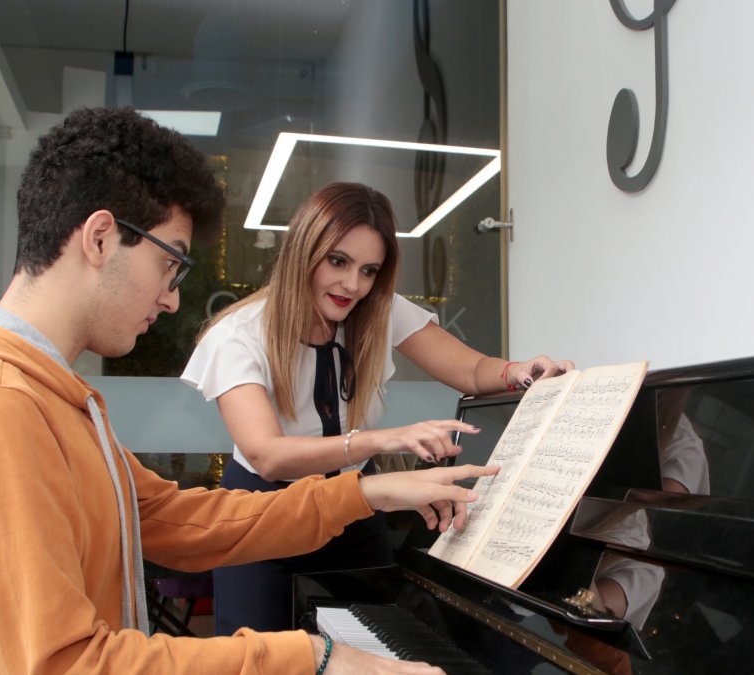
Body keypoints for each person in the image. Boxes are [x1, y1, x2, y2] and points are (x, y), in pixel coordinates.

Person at [0, 107, 497, 675]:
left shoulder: (49, 398)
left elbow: (171, 518)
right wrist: (311, 656)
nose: (171, 298)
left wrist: (367, 492)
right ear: (99, 238)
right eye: (169, 262)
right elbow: (67, 665)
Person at [181, 182, 575, 635]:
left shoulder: (378, 310)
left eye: (369, 270)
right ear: (303, 251)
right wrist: (385, 439)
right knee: (261, 658)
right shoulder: (238, 335)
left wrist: (519, 371)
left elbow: (470, 370)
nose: (353, 285)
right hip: (264, 515)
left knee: (379, 645)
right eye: (338, 261)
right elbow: (267, 454)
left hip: (353, 508)